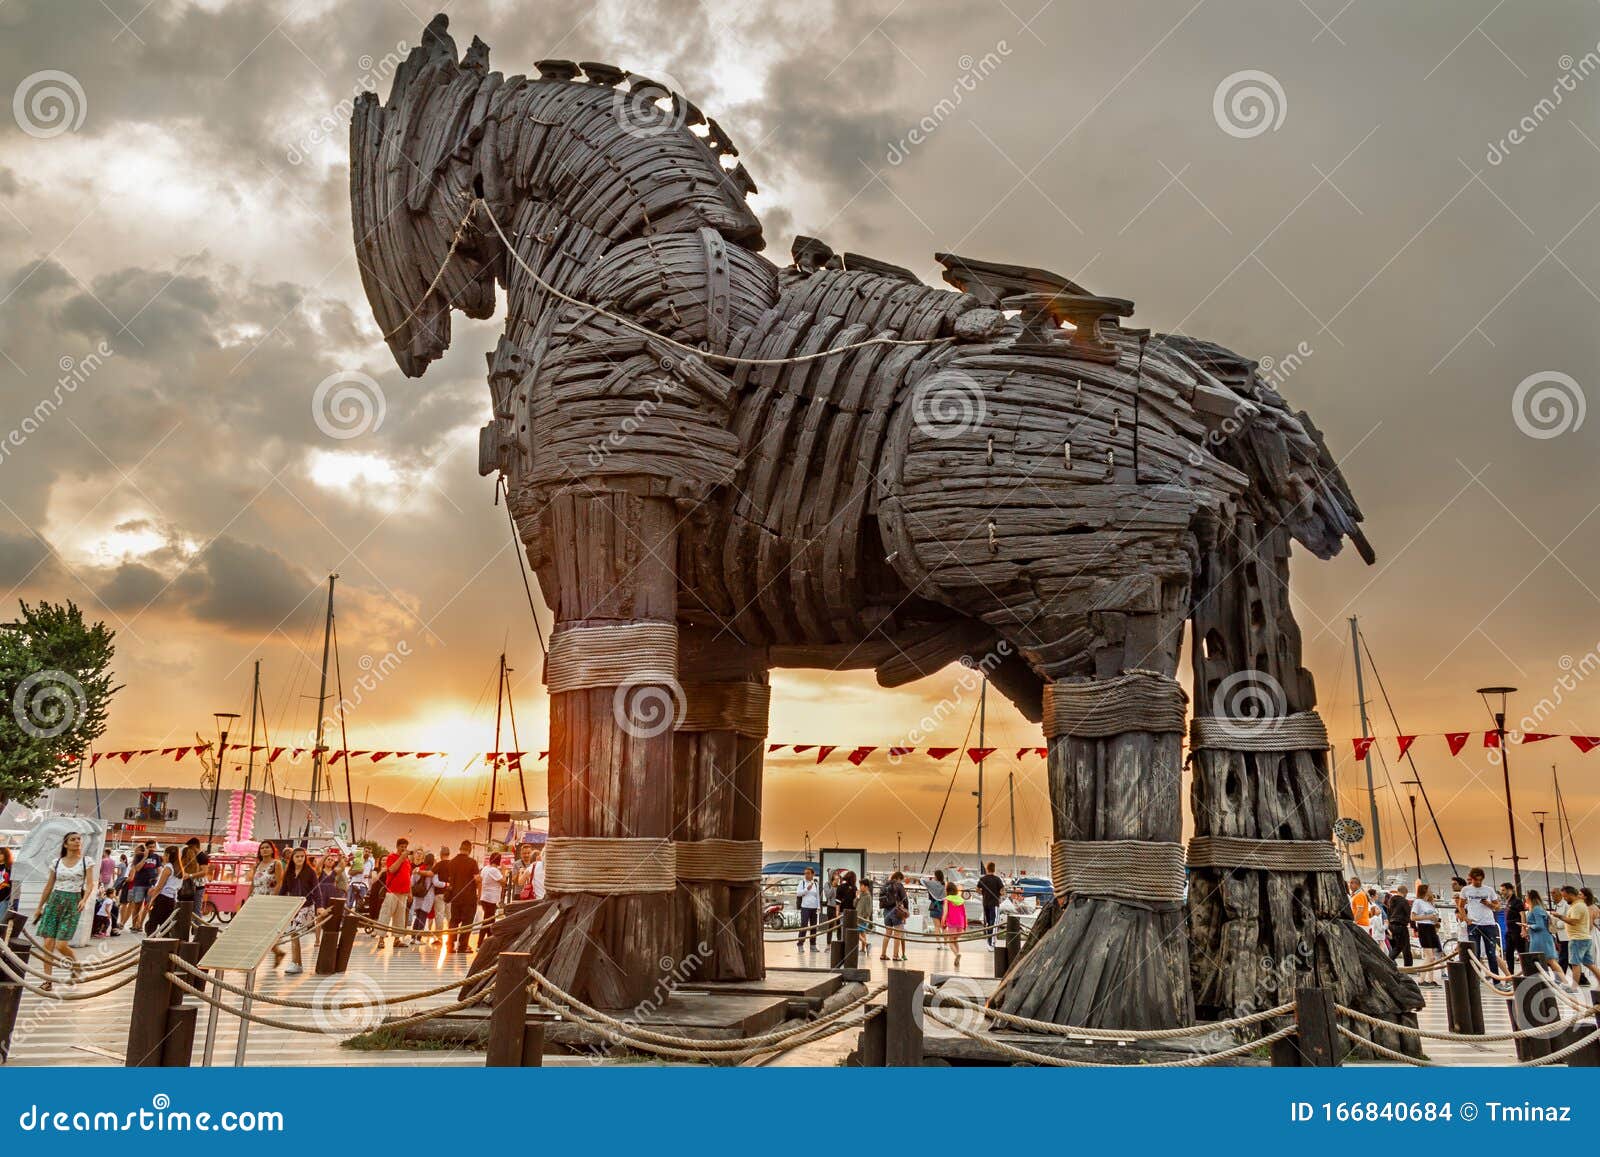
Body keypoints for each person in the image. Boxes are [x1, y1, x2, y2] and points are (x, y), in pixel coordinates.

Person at [31, 832, 92, 991]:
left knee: (61, 944)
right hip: (54, 901)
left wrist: (84, 899)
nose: (77, 841)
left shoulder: (86, 861)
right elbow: (49, 885)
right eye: (73, 839)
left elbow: (91, 884)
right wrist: (39, 907)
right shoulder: (57, 862)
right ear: (65, 844)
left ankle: (75, 966)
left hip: (73, 902)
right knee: (48, 944)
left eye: (79, 839)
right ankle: (47, 980)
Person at [273, 846, 319, 974]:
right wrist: (277, 903)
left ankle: (296, 963)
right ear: (292, 858)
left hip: (307, 906)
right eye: (297, 856)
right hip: (294, 907)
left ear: (305, 858)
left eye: (302, 856)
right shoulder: (289, 872)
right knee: (294, 934)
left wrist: (319, 907)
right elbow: (284, 889)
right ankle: (297, 963)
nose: (300, 859)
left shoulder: (310, 872)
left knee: (294, 933)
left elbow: (316, 890)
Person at [1457, 867, 1503, 974]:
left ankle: (1496, 980)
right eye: (1476, 880)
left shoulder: (1489, 890)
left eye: (1480, 880)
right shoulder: (1466, 890)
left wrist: (1489, 904)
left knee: (1491, 952)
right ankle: (1475, 980)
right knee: (1475, 953)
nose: (1478, 882)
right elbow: (1461, 906)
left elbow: (1498, 907)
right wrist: (1466, 918)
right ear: (1471, 879)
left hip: (1488, 923)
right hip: (1473, 923)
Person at [1553, 885, 1600, 987]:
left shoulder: (1577, 906)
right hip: (1584, 938)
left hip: (1577, 939)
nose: (1564, 899)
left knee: (1575, 964)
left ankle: (1574, 987)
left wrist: (1559, 916)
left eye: (1565, 896)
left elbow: (1574, 921)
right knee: (1589, 963)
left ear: (1570, 895)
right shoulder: (1580, 905)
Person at [446, 841, 480, 953]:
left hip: (455, 896)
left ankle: (450, 944)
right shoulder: (472, 862)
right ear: (469, 850)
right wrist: (479, 892)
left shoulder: (452, 862)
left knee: (454, 921)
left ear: (460, 848)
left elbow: (449, 880)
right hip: (469, 897)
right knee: (467, 922)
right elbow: (477, 879)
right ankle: (462, 946)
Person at [379, 839, 412, 947]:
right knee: (385, 915)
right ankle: (381, 939)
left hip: (403, 893)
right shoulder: (391, 857)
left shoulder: (407, 861)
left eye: (405, 847)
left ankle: (397, 939)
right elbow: (392, 870)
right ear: (397, 846)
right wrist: (402, 858)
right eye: (402, 846)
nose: (403, 849)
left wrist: (410, 892)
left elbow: (408, 876)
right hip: (392, 891)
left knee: (400, 917)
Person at [144, 845, 182, 934]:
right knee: (165, 924)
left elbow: (160, 886)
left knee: (152, 923)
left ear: (168, 855)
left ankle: (151, 943)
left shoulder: (168, 867)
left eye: (164, 854)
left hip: (162, 897)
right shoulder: (179, 868)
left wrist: (151, 900)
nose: (163, 857)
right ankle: (164, 942)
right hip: (171, 898)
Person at [1411, 884, 1443, 985]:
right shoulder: (1418, 902)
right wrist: (1428, 917)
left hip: (1431, 928)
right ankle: (1421, 980)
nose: (1431, 891)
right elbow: (1413, 917)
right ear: (1425, 891)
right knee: (1430, 957)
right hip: (1424, 928)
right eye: (1429, 889)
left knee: (1431, 956)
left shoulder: (1430, 903)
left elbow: (1433, 916)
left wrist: (1435, 919)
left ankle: (1430, 979)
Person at [878, 871, 909, 962]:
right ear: (899, 878)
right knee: (897, 934)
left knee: (887, 933)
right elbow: (905, 899)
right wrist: (906, 912)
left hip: (886, 912)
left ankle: (883, 954)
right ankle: (895, 956)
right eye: (901, 879)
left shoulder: (885, 885)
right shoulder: (898, 885)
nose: (901, 881)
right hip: (896, 911)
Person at [1523, 890, 1557, 966]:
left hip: (1541, 939)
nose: (1525, 898)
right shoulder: (1534, 909)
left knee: (1550, 961)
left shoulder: (1536, 909)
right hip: (1536, 938)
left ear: (1530, 898)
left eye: (1526, 896)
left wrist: (1528, 926)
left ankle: (1561, 977)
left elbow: (1540, 925)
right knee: (1539, 962)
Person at [478, 852, 505, 947]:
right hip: (491, 898)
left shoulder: (485, 868)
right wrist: (504, 871)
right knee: (487, 921)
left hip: (485, 897)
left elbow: (480, 880)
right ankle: (480, 943)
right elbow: (503, 882)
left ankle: (489, 942)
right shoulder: (494, 870)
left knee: (489, 921)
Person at [977, 862, 1005, 948]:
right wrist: (1000, 895)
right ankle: (992, 943)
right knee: (995, 923)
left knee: (989, 923)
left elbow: (977, 889)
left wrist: (983, 893)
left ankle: (989, 942)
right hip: (994, 904)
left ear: (987, 868)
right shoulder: (997, 879)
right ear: (994, 869)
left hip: (985, 903)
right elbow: (1002, 891)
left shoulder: (983, 879)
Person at [1385, 884, 1413, 966]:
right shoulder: (1404, 901)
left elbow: (1388, 913)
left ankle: (1388, 961)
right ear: (1405, 893)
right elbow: (1408, 914)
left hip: (1392, 925)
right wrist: (1412, 924)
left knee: (1398, 945)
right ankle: (1408, 966)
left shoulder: (1391, 900)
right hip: (1401, 925)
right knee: (1405, 946)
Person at [409, 851, 436, 935]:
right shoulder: (433, 871)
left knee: (418, 916)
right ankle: (418, 937)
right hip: (428, 896)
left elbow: (411, 883)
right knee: (423, 917)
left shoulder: (417, 870)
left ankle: (414, 937)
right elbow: (435, 883)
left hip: (417, 896)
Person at [943, 877, 967, 966]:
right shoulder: (960, 899)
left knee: (950, 941)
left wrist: (943, 923)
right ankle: (957, 956)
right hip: (961, 924)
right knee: (955, 940)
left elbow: (945, 913)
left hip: (952, 924)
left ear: (947, 890)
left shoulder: (947, 899)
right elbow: (964, 914)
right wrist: (965, 925)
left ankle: (957, 954)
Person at [1500, 882, 1527, 962]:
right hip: (1509, 930)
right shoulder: (1508, 902)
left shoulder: (1517, 901)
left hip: (1517, 930)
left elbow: (1522, 914)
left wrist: (1523, 928)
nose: (1502, 892)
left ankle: (1525, 972)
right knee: (1509, 953)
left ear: (1510, 890)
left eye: (1503, 890)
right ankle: (1510, 972)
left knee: (1521, 952)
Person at [796, 867, 821, 951]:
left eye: (808, 873)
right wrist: (807, 889)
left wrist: (818, 906)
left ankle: (813, 945)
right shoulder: (802, 882)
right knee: (804, 925)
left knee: (814, 927)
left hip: (814, 908)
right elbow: (798, 894)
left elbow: (817, 896)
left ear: (813, 874)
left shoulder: (816, 884)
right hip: (805, 907)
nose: (806, 875)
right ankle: (800, 944)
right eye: (805, 873)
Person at [431, 846, 452, 932]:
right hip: (451, 894)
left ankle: (439, 937)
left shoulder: (438, 865)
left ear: (440, 854)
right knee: (450, 915)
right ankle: (452, 936)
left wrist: (444, 884)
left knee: (439, 915)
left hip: (439, 894)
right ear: (449, 854)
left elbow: (435, 882)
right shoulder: (453, 864)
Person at [854, 872, 873, 955]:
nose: (860, 887)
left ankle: (866, 944)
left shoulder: (868, 896)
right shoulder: (860, 894)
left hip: (862, 918)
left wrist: (866, 917)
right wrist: (857, 897)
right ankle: (863, 948)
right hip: (857, 916)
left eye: (861, 885)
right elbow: (854, 904)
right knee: (862, 932)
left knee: (856, 932)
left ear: (866, 886)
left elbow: (869, 909)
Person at [0, 847, 13, 921]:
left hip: (4, 898)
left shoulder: (10, 868)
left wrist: (13, 899)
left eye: (1, 853)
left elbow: (13, 884)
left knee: (1, 921)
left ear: (6, 855)